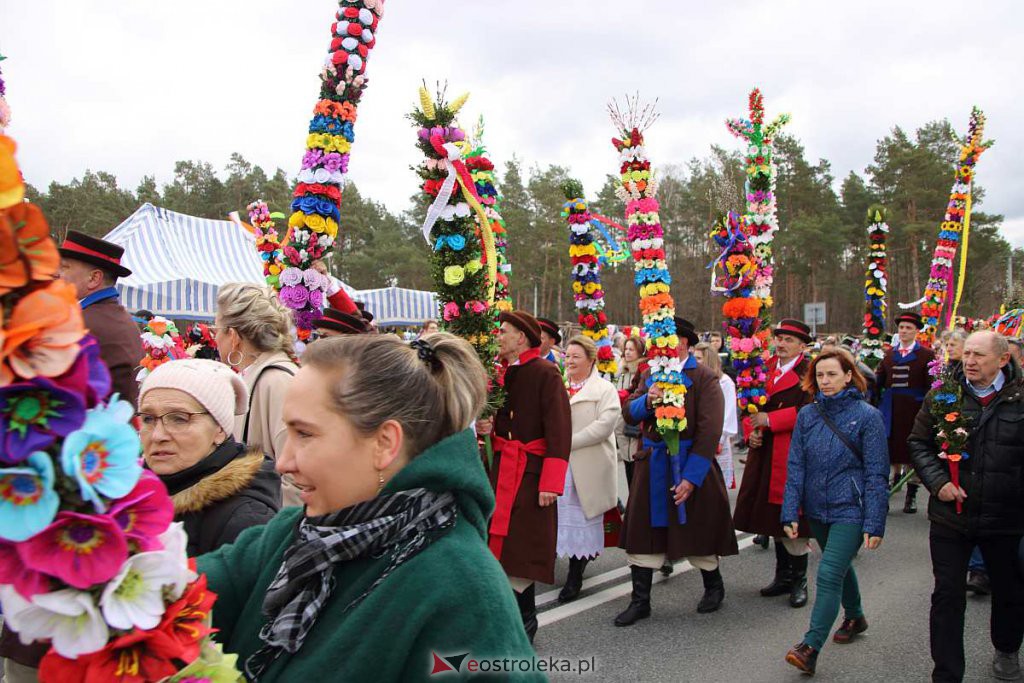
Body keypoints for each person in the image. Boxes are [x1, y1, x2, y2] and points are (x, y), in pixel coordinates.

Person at [196, 334, 538, 680]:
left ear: (384, 443)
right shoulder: (292, 535)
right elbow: (173, 593)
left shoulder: (462, 591)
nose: (282, 463)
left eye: (305, 434)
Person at [909, 331, 1024, 683]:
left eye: (979, 355)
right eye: (967, 353)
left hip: (1006, 517)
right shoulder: (944, 394)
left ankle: (1006, 648)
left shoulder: (1019, 398)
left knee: (1008, 590)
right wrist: (938, 482)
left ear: (1003, 360)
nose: (969, 361)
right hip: (951, 518)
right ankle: (946, 673)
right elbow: (918, 443)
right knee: (947, 594)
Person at [616, 317, 739, 624]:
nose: (656, 346)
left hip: (689, 464)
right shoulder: (650, 374)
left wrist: (691, 478)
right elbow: (629, 412)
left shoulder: (705, 378)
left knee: (698, 531)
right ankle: (640, 600)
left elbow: (710, 432)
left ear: (681, 343)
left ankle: (713, 586)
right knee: (643, 533)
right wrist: (648, 398)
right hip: (653, 465)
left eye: (662, 340)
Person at [781, 350, 889, 675]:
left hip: (851, 511)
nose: (825, 381)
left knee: (828, 574)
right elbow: (796, 464)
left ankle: (809, 647)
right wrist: (790, 510)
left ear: (848, 376)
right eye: (820, 376)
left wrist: (875, 523)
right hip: (817, 509)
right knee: (837, 565)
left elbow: (876, 473)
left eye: (831, 374)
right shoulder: (807, 415)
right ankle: (854, 616)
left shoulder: (868, 416)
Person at [475, 310, 571, 643]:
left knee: (521, 551)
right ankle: (509, 625)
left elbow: (560, 430)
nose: (497, 336)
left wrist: (550, 482)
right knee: (501, 550)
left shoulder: (545, 372)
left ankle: (525, 626)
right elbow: (500, 424)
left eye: (503, 331)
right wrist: (486, 427)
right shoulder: (502, 373)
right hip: (502, 469)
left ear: (521, 337)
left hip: (529, 475)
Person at [138, 359, 280, 555]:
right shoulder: (124, 499)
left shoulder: (246, 520)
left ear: (219, 430)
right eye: (148, 419)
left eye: (179, 419)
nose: (157, 435)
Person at [734, 318, 814, 609]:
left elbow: (812, 409)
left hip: (791, 451)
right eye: (778, 338)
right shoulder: (762, 368)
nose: (781, 344)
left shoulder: (810, 371)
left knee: (792, 516)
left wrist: (771, 420)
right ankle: (782, 577)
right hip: (765, 449)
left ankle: (799, 581)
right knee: (771, 517)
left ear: (803, 345)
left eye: (789, 340)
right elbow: (748, 402)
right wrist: (751, 430)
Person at [214, 282, 298, 505]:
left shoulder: (276, 380)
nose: (214, 339)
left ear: (233, 336)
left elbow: (298, 477)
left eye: (215, 329)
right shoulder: (259, 375)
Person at [557, 335, 620, 603]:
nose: (569, 361)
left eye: (575, 357)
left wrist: (568, 442)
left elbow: (604, 426)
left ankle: (576, 573)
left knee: (583, 516)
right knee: (560, 515)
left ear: (591, 360)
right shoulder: (558, 385)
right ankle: (564, 559)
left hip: (588, 462)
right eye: (567, 356)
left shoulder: (604, 389)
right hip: (560, 463)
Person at [58, 230, 144, 406]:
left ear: (94, 278)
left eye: (64, 267)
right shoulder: (114, 316)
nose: (56, 274)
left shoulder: (82, 324)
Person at [876, 311, 935, 514]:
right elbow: (879, 380)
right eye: (901, 328)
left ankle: (911, 495)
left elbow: (931, 386)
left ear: (917, 331)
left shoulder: (927, 355)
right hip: (891, 409)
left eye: (908, 328)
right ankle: (885, 494)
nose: (904, 331)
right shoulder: (889, 354)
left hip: (914, 409)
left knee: (912, 452)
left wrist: (927, 408)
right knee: (889, 450)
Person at [694, 342, 738, 489]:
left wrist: (719, 439)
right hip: (698, 439)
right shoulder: (696, 380)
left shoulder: (725, 382)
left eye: (699, 358)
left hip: (717, 440)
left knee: (716, 485)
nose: (695, 361)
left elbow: (728, 414)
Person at [615, 336, 647, 488]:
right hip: (621, 426)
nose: (627, 353)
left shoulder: (641, 371)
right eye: (626, 349)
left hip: (633, 426)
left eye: (631, 349)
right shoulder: (621, 371)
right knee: (628, 469)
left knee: (636, 471)